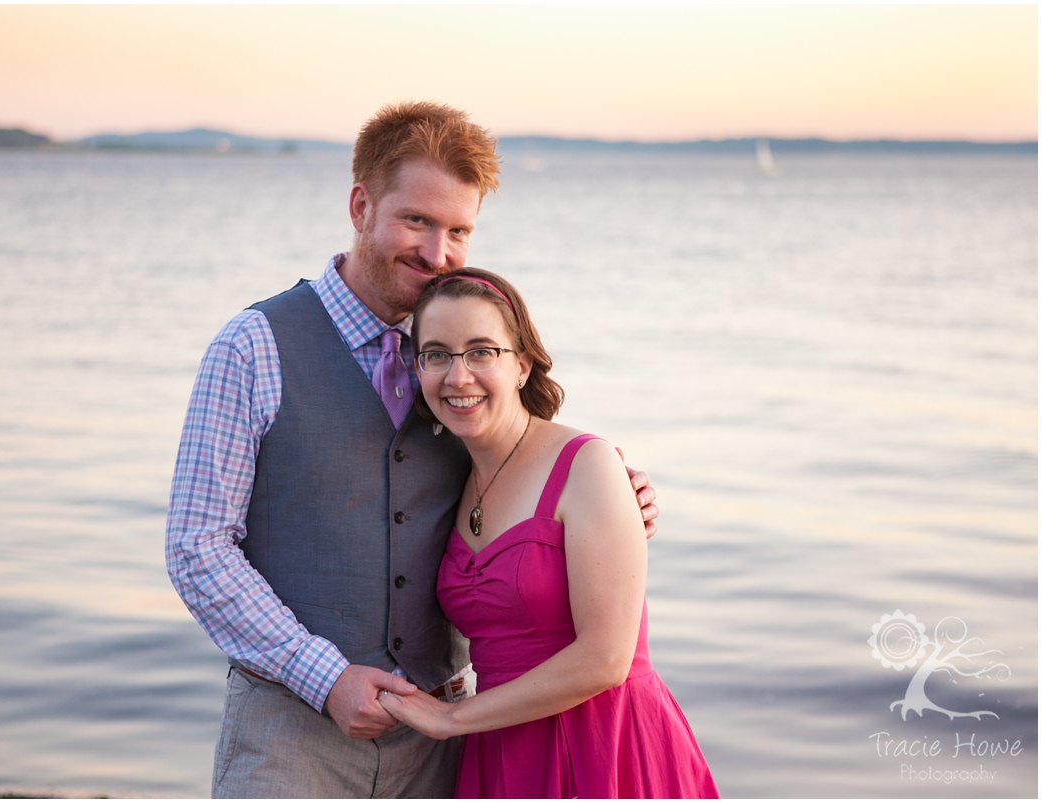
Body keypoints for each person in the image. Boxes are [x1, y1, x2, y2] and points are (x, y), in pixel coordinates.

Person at [165, 101, 658, 798]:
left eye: (459, 229)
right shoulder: (252, 346)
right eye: (417, 221)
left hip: (448, 736)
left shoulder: (462, 365)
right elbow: (197, 547)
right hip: (293, 734)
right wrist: (323, 675)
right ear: (360, 205)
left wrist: (610, 488)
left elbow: (533, 466)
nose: (438, 253)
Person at [377, 268, 717, 798]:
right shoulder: (453, 477)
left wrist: (450, 720)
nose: (457, 376)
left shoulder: (587, 466)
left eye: (482, 351)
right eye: (437, 354)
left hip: (603, 745)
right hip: (501, 750)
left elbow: (606, 658)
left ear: (523, 364)